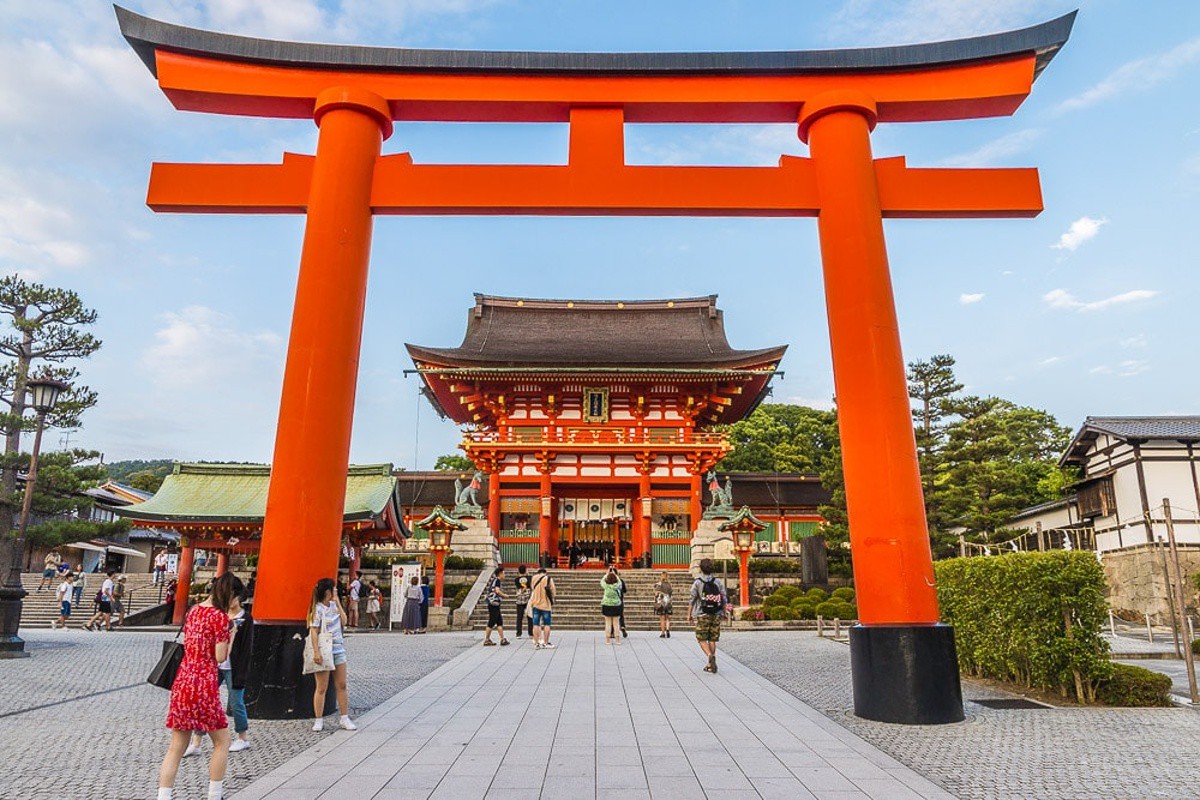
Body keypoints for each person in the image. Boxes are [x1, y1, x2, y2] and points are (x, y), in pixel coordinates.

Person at [156, 572, 241, 800]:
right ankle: (215, 794)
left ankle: (164, 796)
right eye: (236, 598)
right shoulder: (220, 618)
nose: (237, 604)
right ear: (230, 594)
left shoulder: (193, 611)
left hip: (183, 679)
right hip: (204, 682)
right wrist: (231, 635)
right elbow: (220, 656)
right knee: (222, 741)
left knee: (176, 747)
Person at [183, 576, 253, 757]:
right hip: (213, 664)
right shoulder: (218, 616)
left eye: (234, 597)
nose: (230, 601)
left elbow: (246, 649)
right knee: (204, 701)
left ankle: (242, 737)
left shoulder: (245, 618)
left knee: (236, 701)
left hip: (233, 665)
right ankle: (197, 740)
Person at [308, 577, 356, 732]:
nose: (336, 590)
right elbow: (313, 631)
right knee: (321, 687)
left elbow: (344, 621)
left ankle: (344, 717)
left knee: (341, 684)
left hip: (338, 648)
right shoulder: (317, 609)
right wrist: (316, 651)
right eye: (334, 589)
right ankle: (318, 719)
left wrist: (338, 603)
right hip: (323, 650)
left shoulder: (335, 606)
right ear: (328, 591)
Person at [687, 558, 729, 674]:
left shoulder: (698, 582)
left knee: (701, 638)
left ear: (701, 568)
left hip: (702, 613)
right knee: (712, 638)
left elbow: (692, 599)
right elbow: (724, 598)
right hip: (716, 613)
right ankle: (710, 664)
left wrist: (689, 614)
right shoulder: (717, 582)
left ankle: (710, 656)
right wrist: (724, 612)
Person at [529, 567, 555, 649]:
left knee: (536, 624)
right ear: (545, 572)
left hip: (536, 603)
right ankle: (546, 642)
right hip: (546, 605)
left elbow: (532, 588)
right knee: (547, 624)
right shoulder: (548, 579)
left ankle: (536, 643)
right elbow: (553, 591)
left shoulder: (533, 578)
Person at [482, 567, 509, 646]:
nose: (504, 575)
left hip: (495, 604)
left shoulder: (495, 580)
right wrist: (504, 595)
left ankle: (502, 639)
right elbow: (497, 591)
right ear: (500, 574)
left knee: (499, 621)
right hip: (493, 604)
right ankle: (487, 639)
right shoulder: (497, 581)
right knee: (492, 621)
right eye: (504, 573)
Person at [600, 569, 623, 645]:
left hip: (606, 605)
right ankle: (617, 640)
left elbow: (602, 581)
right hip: (616, 605)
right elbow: (619, 582)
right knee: (616, 624)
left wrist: (606, 574)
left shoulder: (606, 586)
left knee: (608, 623)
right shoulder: (617, 586)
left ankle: (607, 640)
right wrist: (615, 575)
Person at [512, 565, 532, 639]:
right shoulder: (530, 578)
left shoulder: (516, 579)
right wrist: (528, 574)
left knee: (519, 618)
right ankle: (530, 633)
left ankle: (518, 633)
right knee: (529, 617)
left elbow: (519, 587)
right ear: (526, 570)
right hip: (528, 599)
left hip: (519, 600)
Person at [655, 572, 674, 638]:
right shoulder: (669, 584)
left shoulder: (659, 584)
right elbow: (671, 593)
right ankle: (668, 630)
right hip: (668, 601)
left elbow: (656, 594)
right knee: (667, 617)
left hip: (661, 602)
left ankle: (663, 633)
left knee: (662, 618)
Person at [615, 567, 628, 638]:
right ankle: (622, 627)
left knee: (612, 617)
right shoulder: (621, 581)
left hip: (611, 601)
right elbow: (625, 590)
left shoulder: (609, 581)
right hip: (620, 600)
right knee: (621, 615)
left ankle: (612, 632)